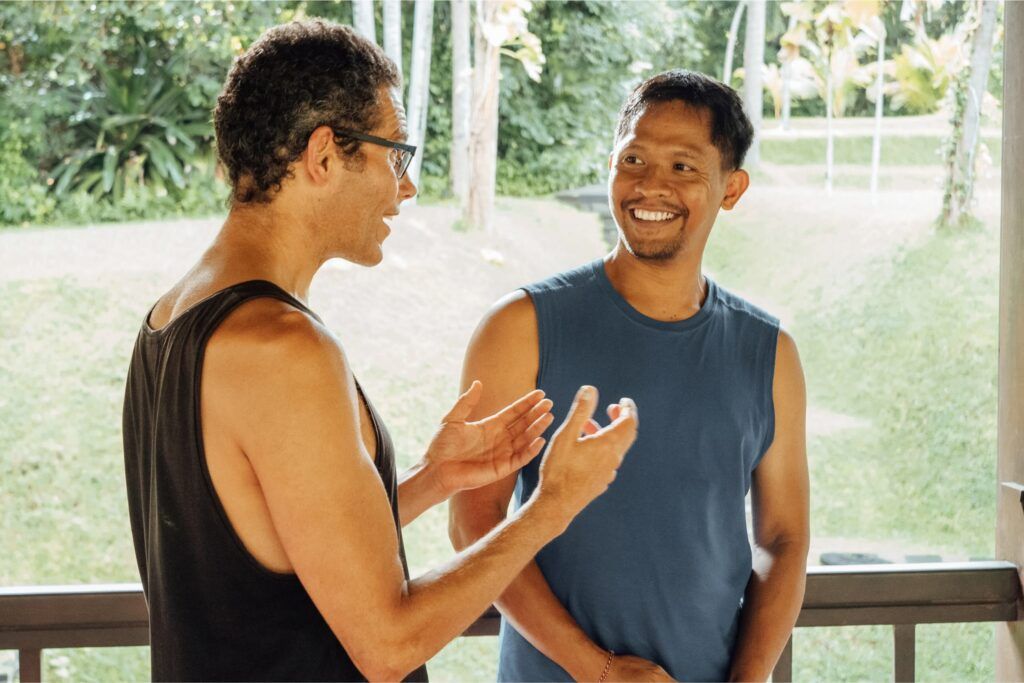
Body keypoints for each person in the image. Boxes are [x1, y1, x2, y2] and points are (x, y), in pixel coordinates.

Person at [121, 20, 639, 682]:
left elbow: (273, 545)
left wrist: (434, 478)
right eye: (396, 156)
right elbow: (387, 643)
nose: (407, 187)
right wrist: (551, 506)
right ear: (324, 156)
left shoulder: (171, 317)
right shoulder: (283, 348)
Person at [450, 69, 810, 682]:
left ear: (732, 187)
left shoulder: (770, 354)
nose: (651, 185)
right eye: (634, 158)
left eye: (683, 167)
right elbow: (472, 522)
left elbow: (783, 538)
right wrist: (601, 670)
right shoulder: (521, 327)